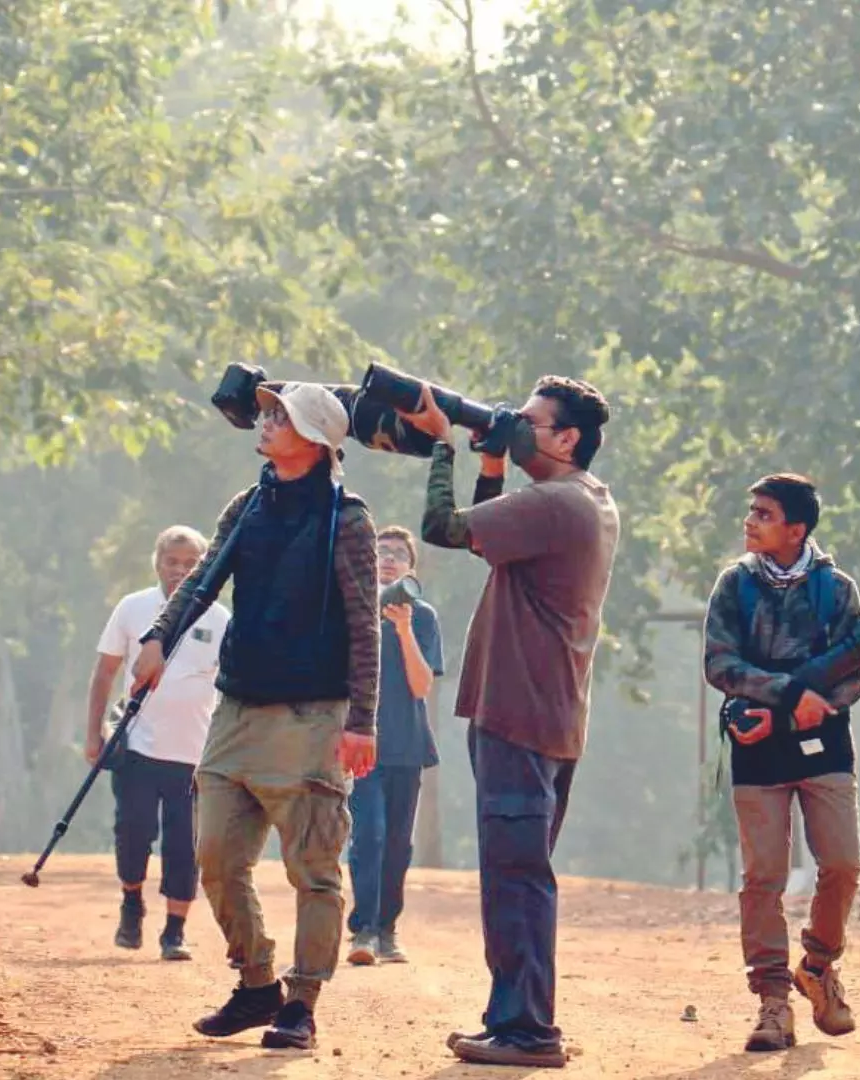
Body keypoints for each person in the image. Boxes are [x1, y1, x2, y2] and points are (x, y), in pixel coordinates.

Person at [131, 380, 379, 1052]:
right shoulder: (248, 504)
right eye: (266, 412)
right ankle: (256, 982)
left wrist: (363, 720)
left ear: (318, 440)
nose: (265, 423)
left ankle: (301, 1003)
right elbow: (204, 579)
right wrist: (158, 638)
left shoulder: (346, 519)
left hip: (311, 716)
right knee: (214, 855)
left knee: (313, 869)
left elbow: (365, 628)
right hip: (236, 708)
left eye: (281, 416)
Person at [400, 375, 618, 1069]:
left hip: (521, 713)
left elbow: (442, 529)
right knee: (513, 870)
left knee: (517, 873)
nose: (517, 425)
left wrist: (442, 447)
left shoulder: (556, 503)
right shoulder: (583, 498)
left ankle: (528, 1031)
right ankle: (513, 1019)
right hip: (540, 711)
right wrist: (491, 463)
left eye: (529, 420)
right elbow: (485, 542)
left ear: (567, 437)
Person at [702, 473, 860, 1054]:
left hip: (824, 741)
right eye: (751, 511)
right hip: (756, 744)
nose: (750, 521)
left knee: (843, 865)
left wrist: (808, 707)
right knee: (763, 878)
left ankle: (818, 966)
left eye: (764, 514)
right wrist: (783, 697)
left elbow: (854, 676)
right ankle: (774, 1003)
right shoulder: (733, 586)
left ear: (796, 529)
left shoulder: (837, 589)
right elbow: (720, 666)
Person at [86, 525, 229, 962]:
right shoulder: (133, 608)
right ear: (157, 563)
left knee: (185, 847)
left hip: (196, 755)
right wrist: (94, 733)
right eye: (172, 562)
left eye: (191, 564)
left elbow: (234, 685)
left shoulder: (221, 619)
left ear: (206, 567)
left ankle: (175, 932)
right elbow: (105, 673)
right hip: (138, 749)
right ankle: (132, 901)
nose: (180, 571)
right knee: (133, 834)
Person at [344, 525, 446, 967]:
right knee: (369, 833)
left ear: (409, 567)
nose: (387, 558)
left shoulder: (422, 616)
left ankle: (387, 930)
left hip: (407, 744)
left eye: (397, 554)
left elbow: (422, 685)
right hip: (364, 743)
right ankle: (362, 930)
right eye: (380, 551)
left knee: (398, 843)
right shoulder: (353, 609)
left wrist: (403, 631)